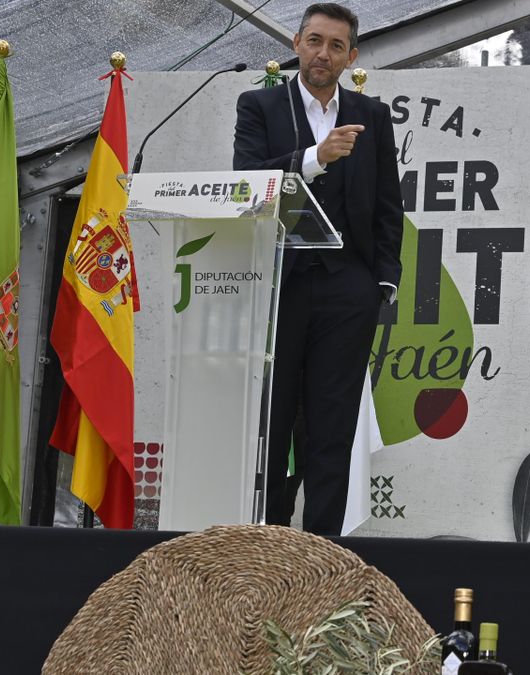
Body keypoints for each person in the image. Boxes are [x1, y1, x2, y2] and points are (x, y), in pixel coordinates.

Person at [233, 3, 402, 535]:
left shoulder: (371, 115)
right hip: (277, 281)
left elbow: (387, 204)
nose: (322, 54)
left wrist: (381, 281)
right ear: (295, 44)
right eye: (313, 41)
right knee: (272, 420)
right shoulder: (259, 105)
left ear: (351, 55)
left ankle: (323, 548)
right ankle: (265, 540)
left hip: (346, 288)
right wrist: (315, 156)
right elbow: (246, 180)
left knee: (331, 427)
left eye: (335, 45)